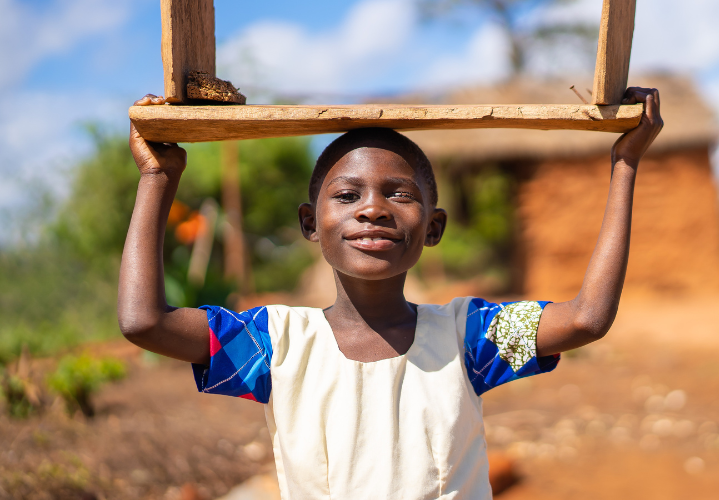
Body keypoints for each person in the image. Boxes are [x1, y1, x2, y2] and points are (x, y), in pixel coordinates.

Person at [118, 88, 663, 499]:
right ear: (311, 222)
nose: (373, 208)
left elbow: (587, 318)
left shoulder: (468, 337)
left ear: (433, 227)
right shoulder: (275, 344)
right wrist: (156, 178)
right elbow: (144, 322)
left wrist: (625, 164)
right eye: (348, 194)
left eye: (399, 194)